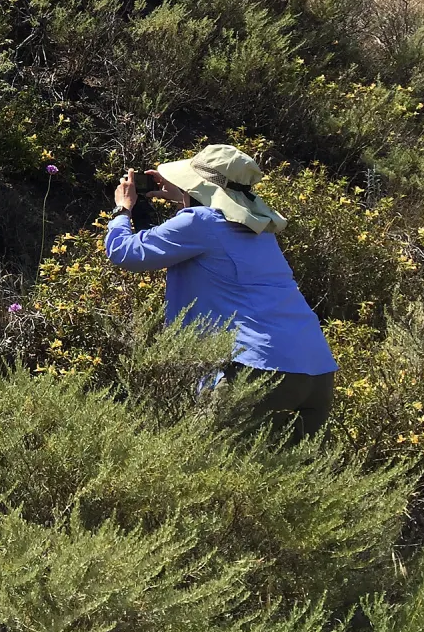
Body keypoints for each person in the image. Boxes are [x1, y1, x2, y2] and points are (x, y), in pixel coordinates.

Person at [104, 143, 337, 441]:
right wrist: (184, 196)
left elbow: (126, 252)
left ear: (200, 187)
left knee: (205, 462)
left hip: (255, 368)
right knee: (282, 475)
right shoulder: (261, 232)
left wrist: (122, 208)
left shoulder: (199, 222)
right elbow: (219, 229)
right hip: (315, 371)